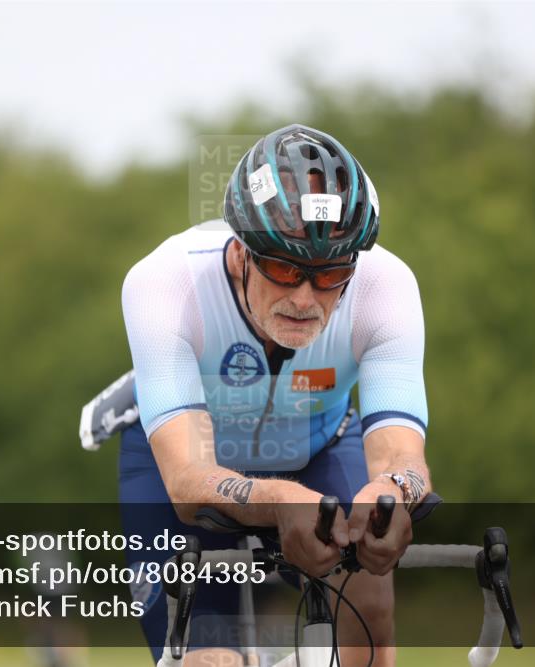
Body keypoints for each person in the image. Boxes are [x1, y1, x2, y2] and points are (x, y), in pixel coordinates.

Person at [119, 124, 431, 666]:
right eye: (286, 269)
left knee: (370, 610)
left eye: (331, 274)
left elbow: (403, 458)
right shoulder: (166, 282)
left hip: (319, 447)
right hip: (181, 466)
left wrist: (394, 494)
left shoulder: (386, 285)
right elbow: (189, 480)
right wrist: (282, 501)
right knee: (209, 660)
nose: (305, 299)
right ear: (241, 251)